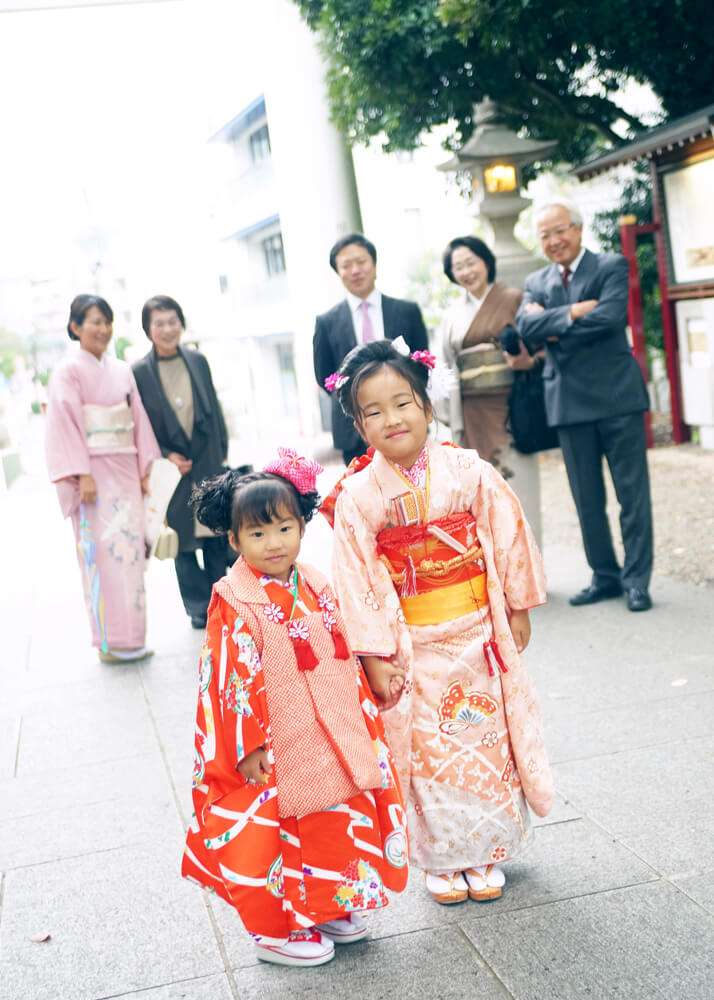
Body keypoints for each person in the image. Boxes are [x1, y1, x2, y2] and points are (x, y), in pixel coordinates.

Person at [324, 339, 553, 906]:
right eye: (372, 411)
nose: (391, 419)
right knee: (430, 750)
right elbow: (354, 578)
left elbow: (506, 534)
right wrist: (374, 657)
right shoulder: (358, 494)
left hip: (477, 631)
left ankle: (489, 848)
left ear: (427, 406)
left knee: (486, 738)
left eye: (402, 403)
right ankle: (444, 857)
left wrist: (517, 608)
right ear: (357, 423)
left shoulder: (467, 470)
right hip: (414, 647)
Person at [181, 451, 408, 967]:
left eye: (284, 527)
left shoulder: (315, 582)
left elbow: (343, 643)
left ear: (302, 526)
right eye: (257, 535)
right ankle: (276, 930)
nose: (274, 542)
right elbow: (225, 678)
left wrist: (372, 680)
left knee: (333, 814)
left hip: (330, 727)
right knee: (278, 830)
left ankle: (328, 905)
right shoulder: (232, 598)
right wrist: (247, 745)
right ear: (233, 540)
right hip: (275, 738)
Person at [515, 201, 653, 612]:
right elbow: (526, 330)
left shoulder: (610, 265)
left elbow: (611, 318)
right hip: (568, 402)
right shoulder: (536, 281)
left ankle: (637, 580)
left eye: (561, 230)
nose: (555, 240)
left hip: (617, 397)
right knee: (586, 498)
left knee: (633, 495)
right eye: (545, 235)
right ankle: (605, 575)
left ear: (578, 228)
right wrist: (575, 311)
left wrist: (552, 325)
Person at [45, 294, 159, 663]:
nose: (103, 329)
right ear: (75, 327)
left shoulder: (121, 369)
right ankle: (110, 642)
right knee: (101, 556)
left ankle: (134, 636)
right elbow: (63, 421)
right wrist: (81, 473)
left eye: (107, 321)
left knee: (130, 554)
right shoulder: (67, 371)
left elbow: (137, 418)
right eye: (94, 321)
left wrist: (145, 471)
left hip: (125, 468)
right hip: (93, 474)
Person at [133, 295, 235, 629]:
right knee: (183, 542)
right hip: (172, 468)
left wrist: (222, 452)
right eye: (158, 323)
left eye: (172, 321)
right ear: (148, 329)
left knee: (215, 533)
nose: (166, 329)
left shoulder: (197, 359)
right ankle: (197, 607)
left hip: (207, 458)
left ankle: (224, 599)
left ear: (181, 323)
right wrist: (163, 456)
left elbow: (214, 408)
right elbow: (140, 423)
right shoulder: (139, 373)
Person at [440, 235, 542, 543]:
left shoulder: (513, 298)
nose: (467, 271)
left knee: (519, 487)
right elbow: (447, 363)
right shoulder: (453, 313)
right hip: (471, 410)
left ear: (486, 262)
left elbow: (536, 348)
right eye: (458, 267)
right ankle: (500, 573)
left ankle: (532, 573)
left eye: (471, 262)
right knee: (483, 493)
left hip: (510, 407)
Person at [313, 233, 429, 465]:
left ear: (374, 265)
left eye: (361, 262)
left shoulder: (406, 311)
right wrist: (358, 406)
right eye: (346, 265)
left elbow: (422, 365)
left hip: (404, 424)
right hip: (352, 432)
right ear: (338, 272)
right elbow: (324, 375)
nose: (355, 270)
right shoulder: (326, 322)